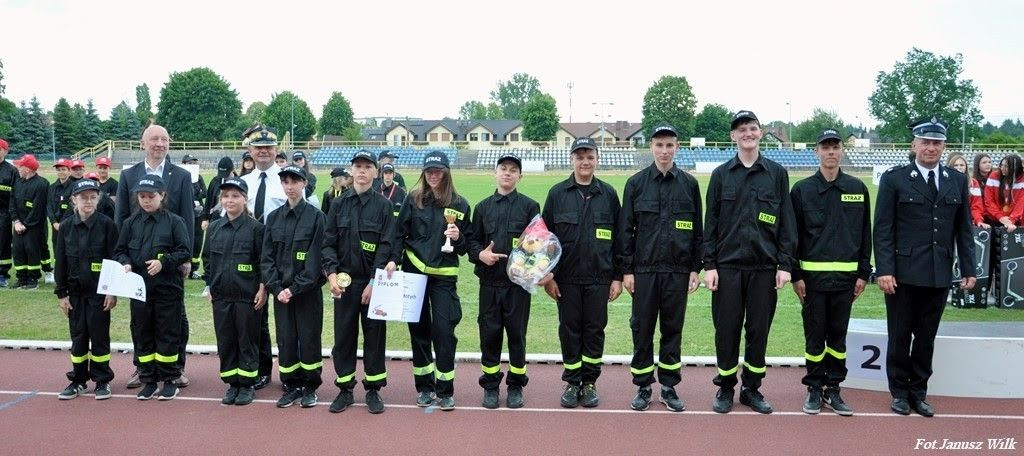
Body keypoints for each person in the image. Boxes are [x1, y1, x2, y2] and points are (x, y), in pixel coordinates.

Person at [874, 116, 976, 417]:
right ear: (914, 144)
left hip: (938, 272)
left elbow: (963, 229)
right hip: (902, 274)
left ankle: (919, 391)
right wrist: (884, 270)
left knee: (926, 337)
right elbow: (883, 229)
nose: (931, 147)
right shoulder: (895, 179)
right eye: (926, 142)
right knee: (900, 335)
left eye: (937, 143)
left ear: (944, 146)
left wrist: (969, 268)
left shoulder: (956, 180)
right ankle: (899, 393)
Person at [703, 110, 797, 415]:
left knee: (759, 331)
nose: (748, 133)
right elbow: (711, 225)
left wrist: (785, 264)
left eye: (753, 128)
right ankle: (726, 388)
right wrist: (710, 265)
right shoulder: (720, 175)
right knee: (726, 330)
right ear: (733, 136)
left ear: (760, 133)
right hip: (728, 268)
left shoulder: (777, 174)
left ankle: (752, 389)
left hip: (764, 268)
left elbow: (787, 223)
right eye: (741, 129)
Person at [619, 124, 702, 412]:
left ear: (677, 147)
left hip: (677, 272)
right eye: (659, 145)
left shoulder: (690, 185)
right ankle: (643, 386)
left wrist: (694, 268)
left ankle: (669, 386)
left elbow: (697, 231)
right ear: (651, 147)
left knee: (672, 329)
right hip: (643, 272)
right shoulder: (636, 184)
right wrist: (627, 270)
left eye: (669, 145)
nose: (664, 151)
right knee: (641, 329)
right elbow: (625, 231)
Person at [790, 129, 872, 416]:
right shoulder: (801, 191)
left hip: (846, 282)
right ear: (817, 152)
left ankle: (834, 388)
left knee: (837, 339)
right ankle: (814, 388)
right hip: (812, 283)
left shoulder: (857, 189)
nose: (831, 152)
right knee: (815, 338)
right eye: (825, 147)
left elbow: (865, 235)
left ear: (842, 151)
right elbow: (793, 236)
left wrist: (864, 273)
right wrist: (796, 275)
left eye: (835, 147)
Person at [542, 137, 623, 409]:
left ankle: (589, 382)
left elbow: (620, 239)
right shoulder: (557, 194)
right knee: (569, 330)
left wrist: (617, 277)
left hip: (600, 278)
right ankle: (572, 381)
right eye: (580, 156)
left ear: (597, 159)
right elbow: (545, 239)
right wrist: (549, 276)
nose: (585, 161)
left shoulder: (609, 194)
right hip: (566, 279)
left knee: (594, 331)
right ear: (571, 159)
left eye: (589, 156)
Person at [114, 124, 195, 390]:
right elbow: (122, 218)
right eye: (154, 139)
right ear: (143, 143)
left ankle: (175, 367)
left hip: (171, 263)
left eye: (164, 139)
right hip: (137, 265)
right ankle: (143, 369)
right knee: (140, 319)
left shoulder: (181, 175)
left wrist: (186, 259)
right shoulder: (129, 175)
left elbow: (188, 218)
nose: (159, 143)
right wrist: (123, 260)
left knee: (174, 318)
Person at [394, 150, 472, 411]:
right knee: (418, 332)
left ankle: (445, 389)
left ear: (446, 172)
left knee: (443, 332)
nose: (433, 175)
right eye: (429, 171)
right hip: (414, 272)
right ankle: (425, 387)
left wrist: (458, 236)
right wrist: (393, 259)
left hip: (443, 278)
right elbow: (398, 234)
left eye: (438, 171)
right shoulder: (413, 199)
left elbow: (464, 247)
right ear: (423, 173)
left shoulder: (460, 205)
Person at [322, 150, 397, 414]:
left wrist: (375, 281)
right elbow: (328, 243)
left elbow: (387, 246)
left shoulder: (384, 207)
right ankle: (345, 389)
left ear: (376, 172)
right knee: (343, 337)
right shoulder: (338, 205)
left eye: (368, 166)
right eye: (358, 166)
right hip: (343, 283)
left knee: (375, 337)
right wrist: (331, 275)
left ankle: (374, 389)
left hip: (372, 283)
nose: (362, 171)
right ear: (350, 171)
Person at [467, 152, 540, 410]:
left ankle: (516, 385)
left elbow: (538, 244)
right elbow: (472, 242)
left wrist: (527, 263)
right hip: (489, 284)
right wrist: (480, 255)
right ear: (495, 173)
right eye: (503, 169)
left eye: (513, 170)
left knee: (517, 336)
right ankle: (490, 386)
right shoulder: (483, 207)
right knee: (490, 335)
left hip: (517, 286)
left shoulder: (531, 207)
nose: (507, 173)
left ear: (520, 175)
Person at [262, 165, 326, 409]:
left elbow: (316, 259)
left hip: (306, 293)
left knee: (309, 339)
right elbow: (267, 258)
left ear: (304, 184)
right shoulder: (274, 218)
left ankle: (310, 386)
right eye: (286, 182)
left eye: (294, 181)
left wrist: (294, 288)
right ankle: (291, 385)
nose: (290, 186)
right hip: (281, 295)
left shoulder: (316, 217)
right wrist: (277, 288)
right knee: (286, 340)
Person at [202, 177, 265, 406]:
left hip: (247, 295)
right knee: (226, 341)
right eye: (226, 196)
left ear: (245, 199)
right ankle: (232, 383)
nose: (230, 200)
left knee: (246, 340)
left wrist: (262, 287)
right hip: (221, 295)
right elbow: (207, 259)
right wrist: (209, 285)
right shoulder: (215, 227)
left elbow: (263, 261)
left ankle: (247, 384)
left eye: (235, 195)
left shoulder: (256, 228)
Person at [54, 179, 119, 401]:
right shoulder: (66, 227)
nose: (88, 201)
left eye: (93, 197)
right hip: (75, 294)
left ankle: (102, 381)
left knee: (100, 336)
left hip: (100, 294)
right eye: (83, 197)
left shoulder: (107, 225)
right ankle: (78, 380)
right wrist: (61, 293)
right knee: (78, 336)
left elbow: (113, 260)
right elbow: (60, 260)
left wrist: (112, 291)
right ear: (74, 199)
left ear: (98, 199)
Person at [240, 125, 288, 390]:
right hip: (249, 254)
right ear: (251, 151)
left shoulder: (287, 179)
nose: (263, 152)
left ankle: (287, 370)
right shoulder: (243, 182)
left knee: (282, 318)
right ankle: (260, 368)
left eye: (268, 147)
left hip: (279, 256)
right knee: (255, 315)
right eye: (258, 148)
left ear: (276, 150)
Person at [9, 154, 49, 289]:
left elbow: (37, 209)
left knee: (32, 251)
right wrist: (16, 221)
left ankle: (33, 278)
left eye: (20, 166)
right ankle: (22, 278)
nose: (18, 168)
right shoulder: (17, 182)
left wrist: (25, 224)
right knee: (18, 251)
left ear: (28, 169)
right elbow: (12, 203)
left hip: (33, 226)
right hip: (18, 224)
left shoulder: (41, 184)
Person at [983, 154, 1024, 232]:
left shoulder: (1022, 179)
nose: (1002, 168)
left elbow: (1021, 204)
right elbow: (988, 201)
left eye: (1006, 166)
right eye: (1001, 165)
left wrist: (1011, 220)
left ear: (1015, 167)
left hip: (1015, 221)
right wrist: (1000, 217)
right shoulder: (994, 176)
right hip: (994, 219)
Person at [183, 155, 207, 278]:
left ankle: (194, 269)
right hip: (186, 214)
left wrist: (196, 195)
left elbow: (205, 192)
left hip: (198, 213)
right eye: (189, 163)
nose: (192, 165)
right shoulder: (181, 178)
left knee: (197, 241)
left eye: (194, 163)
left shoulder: (199, 177)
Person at [0, 139, 17, 288]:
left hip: (3, 213)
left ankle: (2, 274)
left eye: (0, 149)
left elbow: (16, 194)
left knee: (3, 243)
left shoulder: (11, 170)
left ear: (5, 151)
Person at [969, 153, 992, 228]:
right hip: (978, 216)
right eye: (984, 162)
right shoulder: (973, 182)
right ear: (977, 165)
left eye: (989, 162)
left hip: (992, 216)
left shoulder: (995, 180)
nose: (988, 164)